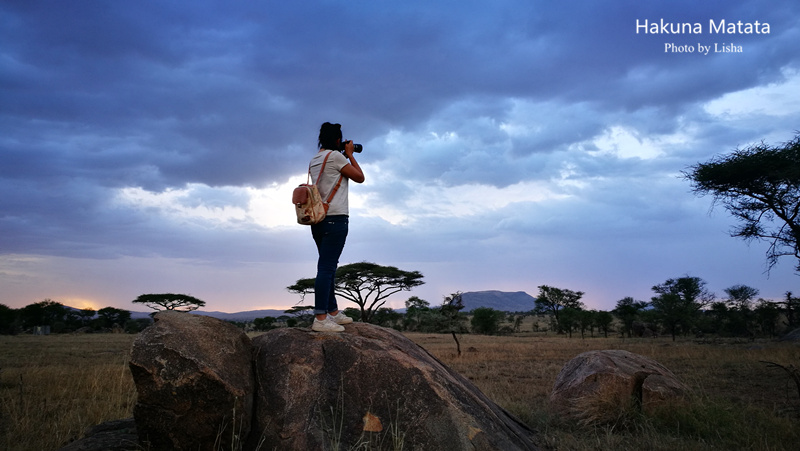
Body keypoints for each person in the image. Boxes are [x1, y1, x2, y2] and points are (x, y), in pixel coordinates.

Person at [309, 122, 365, 332]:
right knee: (327, 268)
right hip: (336, 218)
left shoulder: (315, 159)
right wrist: (350, 154)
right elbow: (360, 177)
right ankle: (321, 318)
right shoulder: (336, 157)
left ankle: (332, 312)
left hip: (318, 219)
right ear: (337, 139)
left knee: (328, 266)